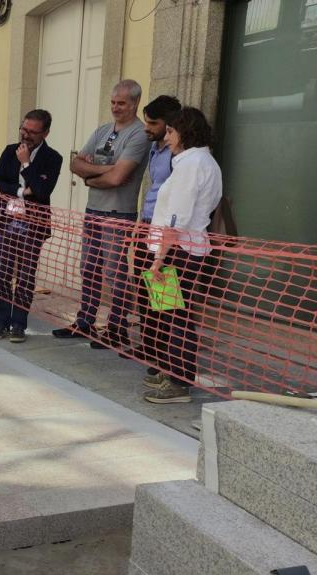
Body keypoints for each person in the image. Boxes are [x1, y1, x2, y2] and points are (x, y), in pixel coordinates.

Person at [53, 79, 150, 352]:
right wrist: (103, 172)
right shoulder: (104, 131)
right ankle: (85, 321)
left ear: (134, 104)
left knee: (114, 271)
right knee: (89, 268)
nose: (116, 108)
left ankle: (117, 328)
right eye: (113, 102)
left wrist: (92, 174)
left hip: (118, 213)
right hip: (94, 209)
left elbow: (120, 177)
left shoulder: (139, 134)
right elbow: (75, 162)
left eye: (122, 103)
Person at [141, 107, 222, 403]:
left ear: (185, 133)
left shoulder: (192, 164)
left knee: (178, 318)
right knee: (172, 314)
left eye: (172, 132)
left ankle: (179, 381)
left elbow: (178, 217)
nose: (168, 137)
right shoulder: (199, 161)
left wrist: (159, 259)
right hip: (183, 248)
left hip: (179, 251)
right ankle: (173, 372)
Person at [0, 110, 63, 343]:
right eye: (24, 129)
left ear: (45, 133)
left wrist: (27, 164)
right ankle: (1, 321)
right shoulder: (9, 150)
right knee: (1, 274)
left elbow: (42, 192)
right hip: (7, 222)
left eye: (32, 132)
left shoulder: (53, 158)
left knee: (25, 277)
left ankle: (19, 324)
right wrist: (20, 191)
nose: (26, 135)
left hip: (33, 226)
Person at [135, 95, 182, 385]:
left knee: (163, 298)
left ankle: (164, 358)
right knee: (143, 290)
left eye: (153, 123)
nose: (147, 128)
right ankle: (150, 348)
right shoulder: (155, 148)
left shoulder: (181, 155)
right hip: (147, 226)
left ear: (170, 124)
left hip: (165, 232)